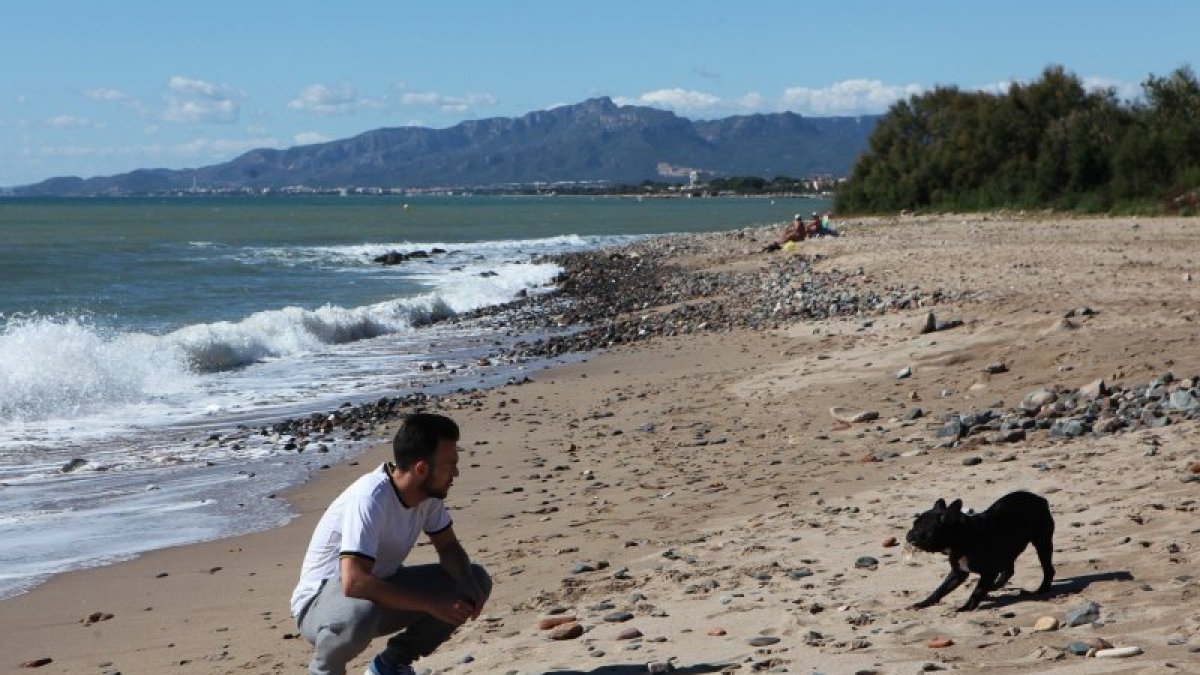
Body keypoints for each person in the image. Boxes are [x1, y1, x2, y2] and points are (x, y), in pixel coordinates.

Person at [291, 413, 491, 675]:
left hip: (376, 593)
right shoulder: (370, 498)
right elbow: (354, 582)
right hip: (322, 604)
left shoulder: (428, 495)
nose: (455, 472)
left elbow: (449, 548)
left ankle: (389, 665)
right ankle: (323, 671)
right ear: (421, 469)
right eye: (450, 464)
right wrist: (430, 603)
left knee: (475, 579)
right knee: (360, 613)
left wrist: (467, 584)